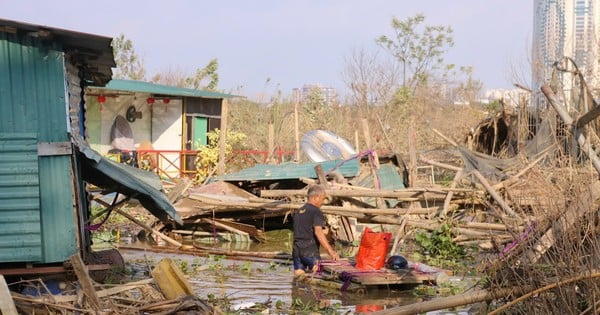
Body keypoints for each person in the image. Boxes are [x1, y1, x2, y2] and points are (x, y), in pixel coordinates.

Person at [292, 184, 340, 277]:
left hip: (296, 250)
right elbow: (318, 232)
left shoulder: (298, 211)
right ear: (316, 197)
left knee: (298, 278)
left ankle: (296, 292)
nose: (322, 202)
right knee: (319, 276)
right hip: (310, 251)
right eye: (322, 199)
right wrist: (330, 251)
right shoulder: (316, 211)